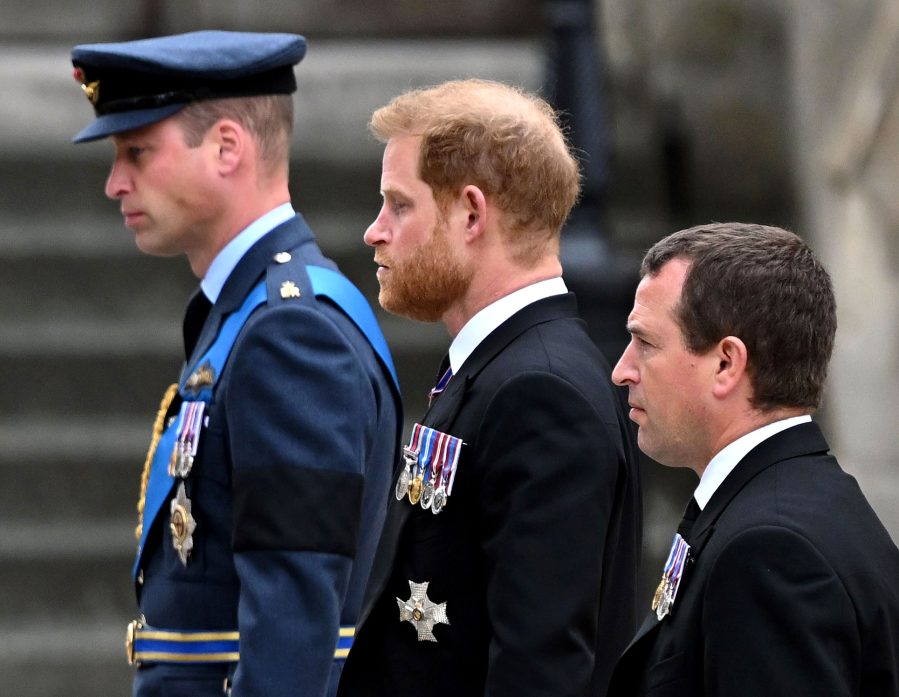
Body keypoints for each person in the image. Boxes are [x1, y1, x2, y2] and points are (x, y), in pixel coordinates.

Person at [70, 30, 402, 697]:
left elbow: (292, 621)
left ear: (227, 147)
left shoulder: (291, 330)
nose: (114, 183)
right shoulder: (250, 312)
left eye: (137, 152)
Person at [336, 79, 642, 697]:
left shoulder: (540, 391)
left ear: (471, 214)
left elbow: (539, 669)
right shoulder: (497, 369)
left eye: (398, 204)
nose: (374, 231)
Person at [607, 222, 899, 696]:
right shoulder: (791, 505)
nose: (622, 371)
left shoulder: (770, 548)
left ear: (726, 364)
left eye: (646, 343)